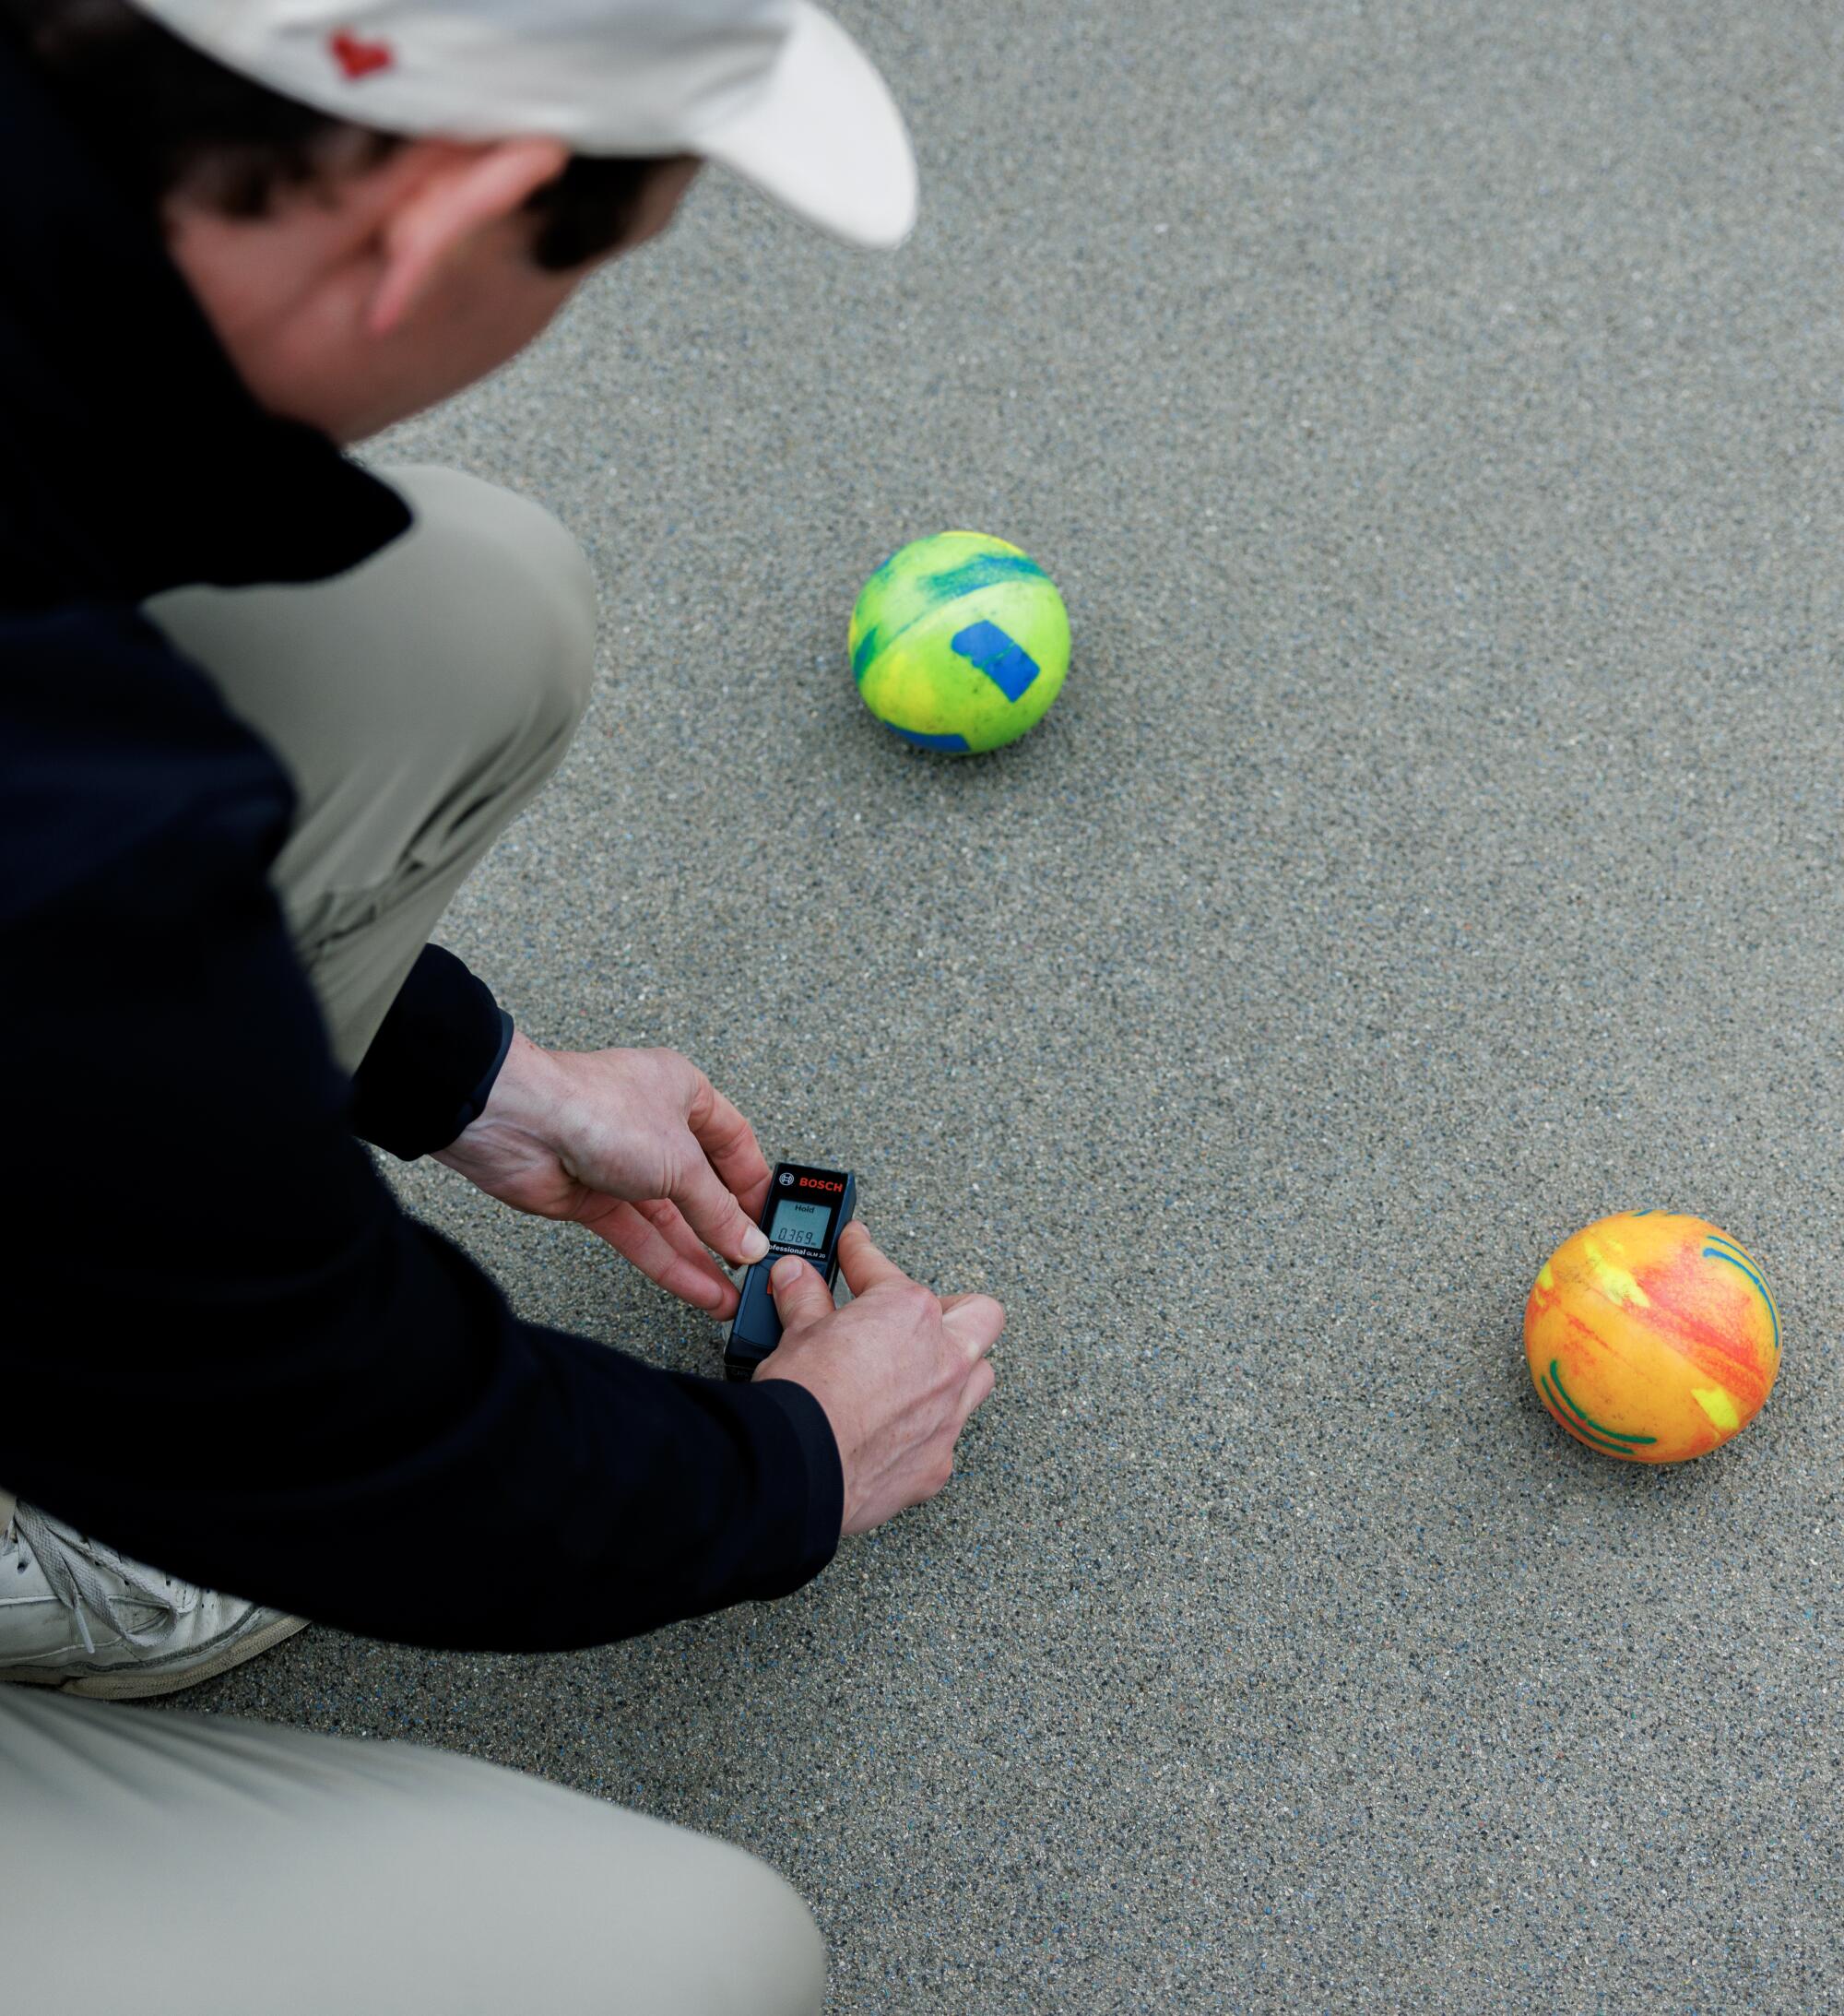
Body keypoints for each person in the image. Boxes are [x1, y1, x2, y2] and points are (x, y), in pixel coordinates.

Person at [0, 0, 1005, 2008]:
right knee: (690, 1964)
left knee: (460, 609)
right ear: (443, 211)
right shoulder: (69, 816)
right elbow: (356, 1444)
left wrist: (475, 1077)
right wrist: (785, 1470)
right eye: (589, 269)